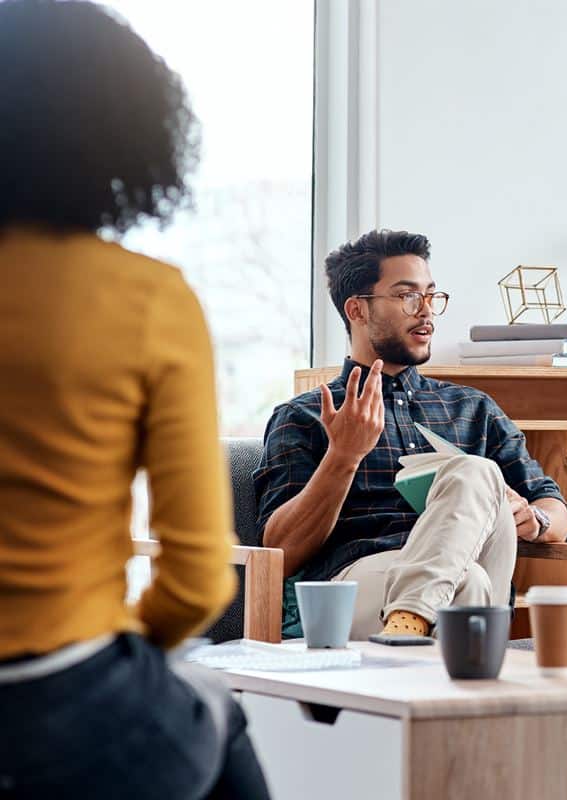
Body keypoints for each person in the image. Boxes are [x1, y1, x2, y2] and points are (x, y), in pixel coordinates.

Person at [0, 2, 269, 798]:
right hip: (67, 696)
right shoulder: (147, 301)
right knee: (218, 710)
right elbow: (195, 582)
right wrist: (126, 658)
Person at [255, 229, 567, 640]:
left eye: (431, 296)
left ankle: (408, 624)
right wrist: (343, 457)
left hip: (470, 574)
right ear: (357, 310)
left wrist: (537, 518)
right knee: (470, 583)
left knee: (475, 472)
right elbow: (278, 549)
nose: (426, 311)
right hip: (360, 580)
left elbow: (557, 511)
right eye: (407, 296)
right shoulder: (307, 415)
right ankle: (423, 629)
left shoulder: (473, 409)